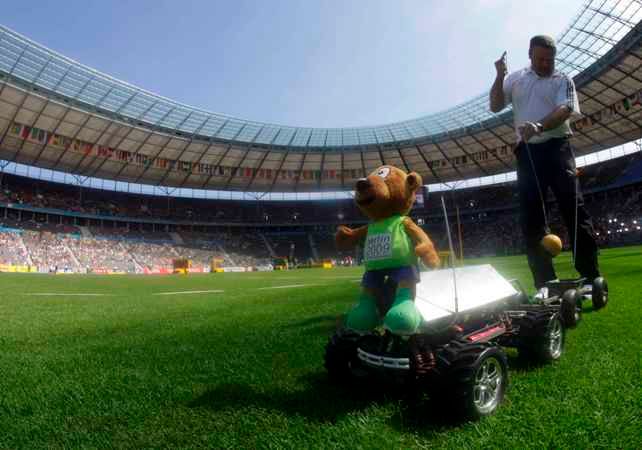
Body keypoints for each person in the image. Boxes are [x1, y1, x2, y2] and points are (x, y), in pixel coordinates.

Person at [489, 35, 601, 297]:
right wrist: (499, 75)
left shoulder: (563, 79)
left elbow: (565, 109)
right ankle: (545, 283)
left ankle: (589, 275)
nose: (545, 64)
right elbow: (495, 106)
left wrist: (539, 126)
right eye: (540, 59)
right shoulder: (514, 78)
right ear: (530, 55)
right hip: (527, 152)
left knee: (574, 209)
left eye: (550, 59)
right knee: (532, 218)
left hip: (557, 147)